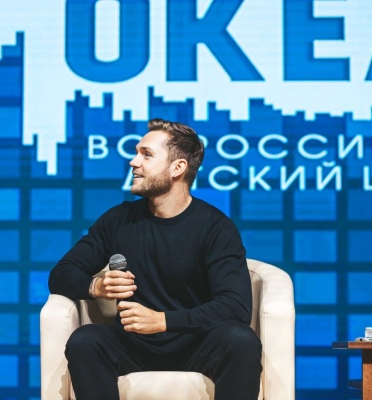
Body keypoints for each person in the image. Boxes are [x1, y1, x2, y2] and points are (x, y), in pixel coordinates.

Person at [48, 118, 262, 400]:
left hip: (196, 346)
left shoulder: (215, 227)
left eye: (146, 155)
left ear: (177, 168)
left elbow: (235, 307)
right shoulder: (119, 220)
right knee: (86, 340)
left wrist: (163, 320)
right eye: (136, 153)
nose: (133, 162)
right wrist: (95, 287)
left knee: (240, 340)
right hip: (134, 346)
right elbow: (61, 273)